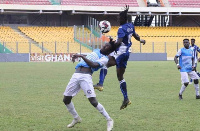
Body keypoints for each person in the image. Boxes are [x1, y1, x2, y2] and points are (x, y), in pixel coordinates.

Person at [63, 42, 116, 130]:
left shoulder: (105, 59)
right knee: (66, 99)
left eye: (107, 46)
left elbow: (93, 64)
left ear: (109, 50)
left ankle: (109, 120)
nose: (104, 46)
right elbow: (89, 57)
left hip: (86, 76)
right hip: (76, 75)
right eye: (105, 44)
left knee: (93, 101)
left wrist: (81, 56)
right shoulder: (96, 51)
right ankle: (76, 118)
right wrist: (79, 55)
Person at [111, 5, 146, 110]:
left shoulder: (121, 28)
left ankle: (100, 83)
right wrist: (141, 40)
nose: (117, 19)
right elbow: (135, 35)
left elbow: (119, 42)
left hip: (121, 52)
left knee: (105, 62)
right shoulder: (131, 25)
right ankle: (126, 98)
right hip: (127, 53)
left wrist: (111, 44)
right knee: (120, 76)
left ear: (123, 18)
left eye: (119, 18)